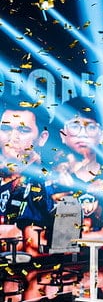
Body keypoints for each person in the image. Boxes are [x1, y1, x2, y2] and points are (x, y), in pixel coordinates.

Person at [0, 105, 54, 256]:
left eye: (23, 130)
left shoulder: (44, 182)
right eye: (5, 129)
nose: (12, 137)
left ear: (42, 138)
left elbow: (35, 240)